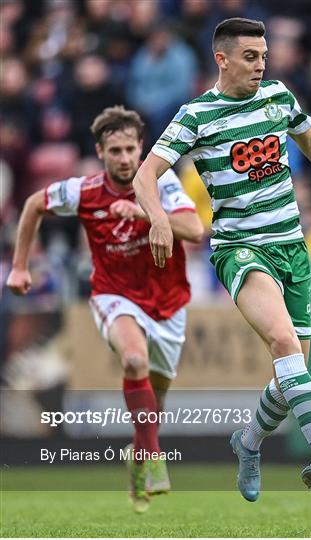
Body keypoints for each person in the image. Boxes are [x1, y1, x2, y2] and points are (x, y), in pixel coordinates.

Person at [132, 18, 311, 502]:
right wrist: (159, 219)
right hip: (241, 249)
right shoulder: (197, 115)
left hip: (292, 246)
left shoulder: (277, 96)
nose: (260, 65)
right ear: (222, 59)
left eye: (264, 55)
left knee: (291, 371)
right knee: (282, 340)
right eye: (250, 56)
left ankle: (248, 444)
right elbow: (146, 176)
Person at [6, 106, 204, 513]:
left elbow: (195, 229)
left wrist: (145, 213)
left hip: (168, 302)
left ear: (141, 148)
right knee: (133, 360)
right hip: (113, 294)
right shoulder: (84, 191)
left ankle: (139, 454)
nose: (125, 158)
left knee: (154, 403)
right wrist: (21, 266)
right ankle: (153, 459)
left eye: (131, 149)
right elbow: (32, 204)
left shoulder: (161, 184)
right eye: (115, 150)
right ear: (100, 151)